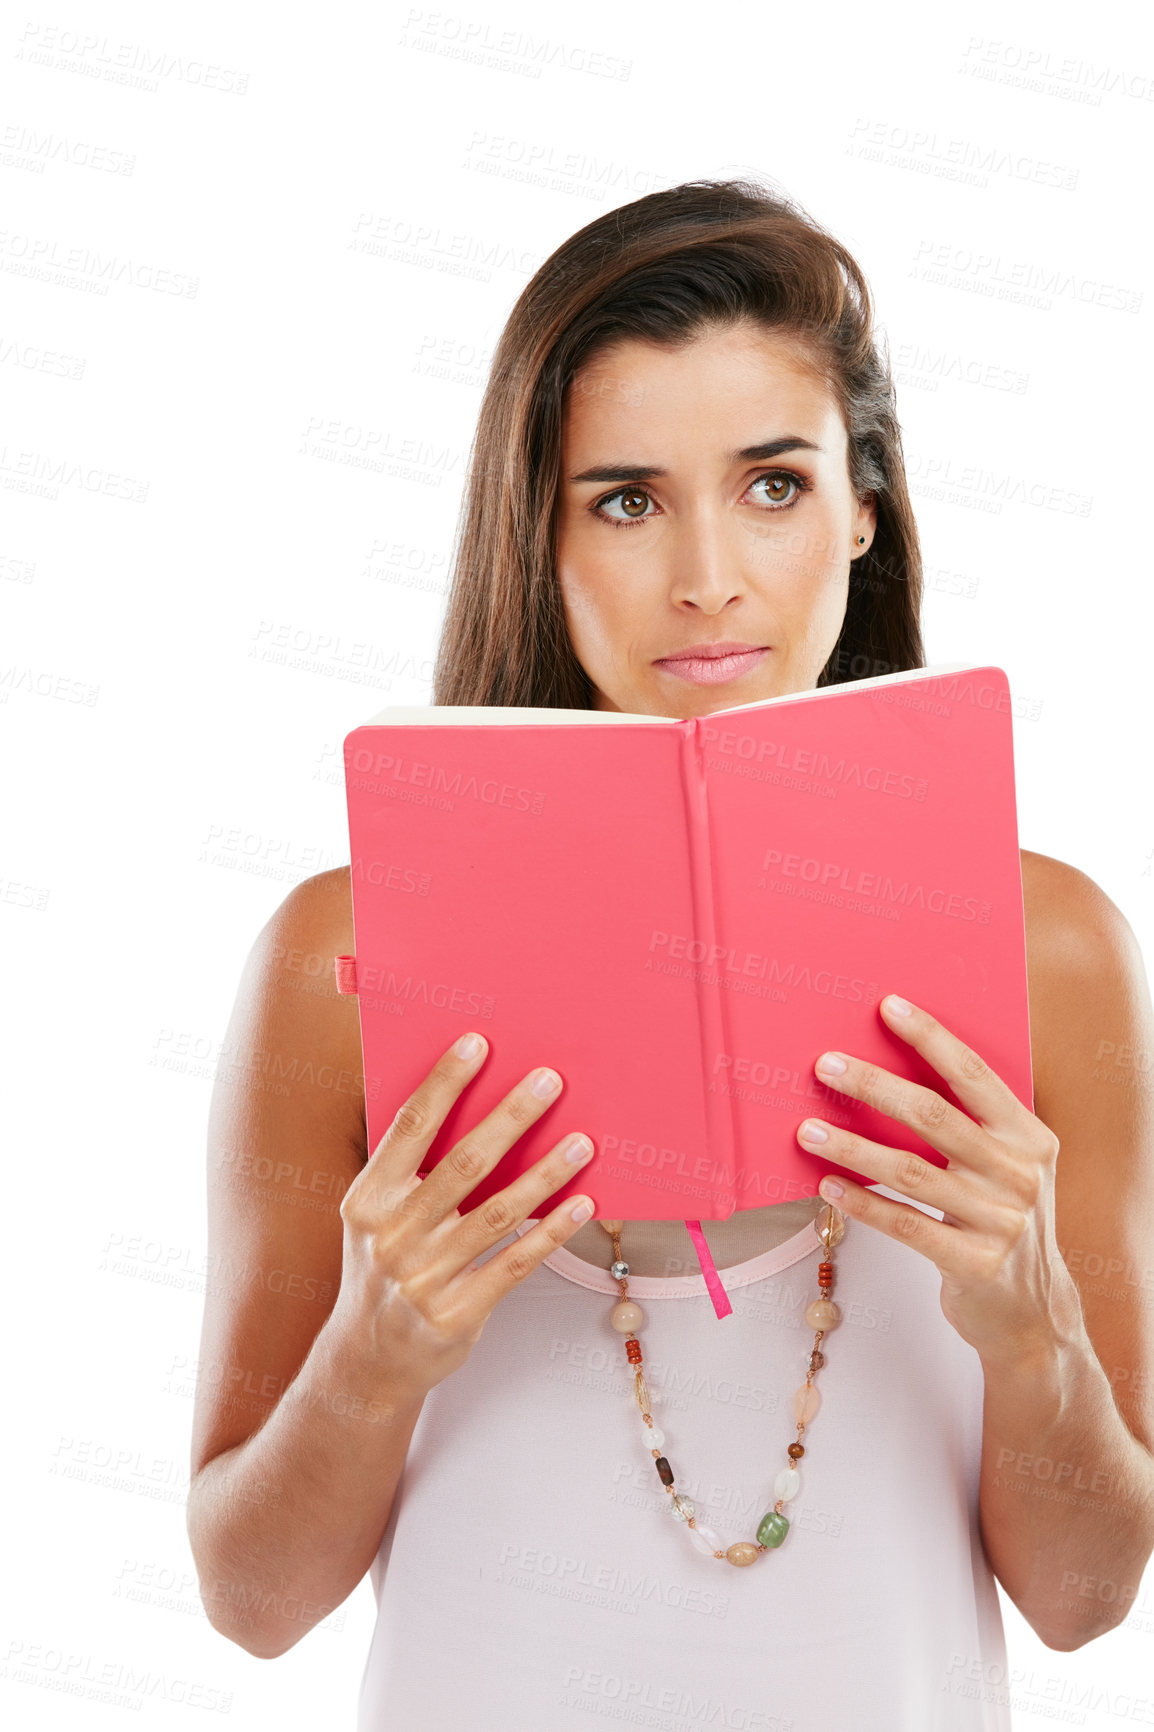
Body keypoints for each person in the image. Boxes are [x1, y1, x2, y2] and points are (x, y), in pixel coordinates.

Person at [186, 179, 1154, 1729]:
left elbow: (1083, 1600)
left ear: (862, 504)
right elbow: (249, 1599)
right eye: (625, 499)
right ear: (539, 529)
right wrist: (376, 1355)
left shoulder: (1050, 952)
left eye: (771, 485)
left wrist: (1030, 1330)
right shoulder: (341, 954)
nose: (706, 574)